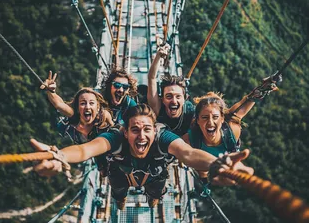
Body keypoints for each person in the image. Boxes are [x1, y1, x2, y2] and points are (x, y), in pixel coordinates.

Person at [32, 104, 253, 210]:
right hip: (122, 170)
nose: (142, 135)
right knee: (118, 184)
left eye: (147, 129)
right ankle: (120, 198)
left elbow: (188, 153)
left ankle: (152, 198)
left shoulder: (163, 137)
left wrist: (216, 164)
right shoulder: (115, 137)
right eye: (135, 130)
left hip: (153, 171)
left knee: (156, 184)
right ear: (125, 132)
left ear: (154, 131)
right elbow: (85, 150)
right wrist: (60, 156)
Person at [41, 72, 113, 144]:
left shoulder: (104, 116)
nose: (87, 107)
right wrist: (51, 91)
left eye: (91, 103)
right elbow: (59, 104)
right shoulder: (74, 115)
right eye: (83, 103)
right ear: (78, 108)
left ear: (98, 107)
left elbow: (115, 130)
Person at [147, 44, 195, 136]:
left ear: (185, 99)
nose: (174, 101)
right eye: (169, 96)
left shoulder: (190, 112)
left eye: (178, 96)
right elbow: (151, 78)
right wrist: (158, 56)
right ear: (162, 99)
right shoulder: (157, 109)